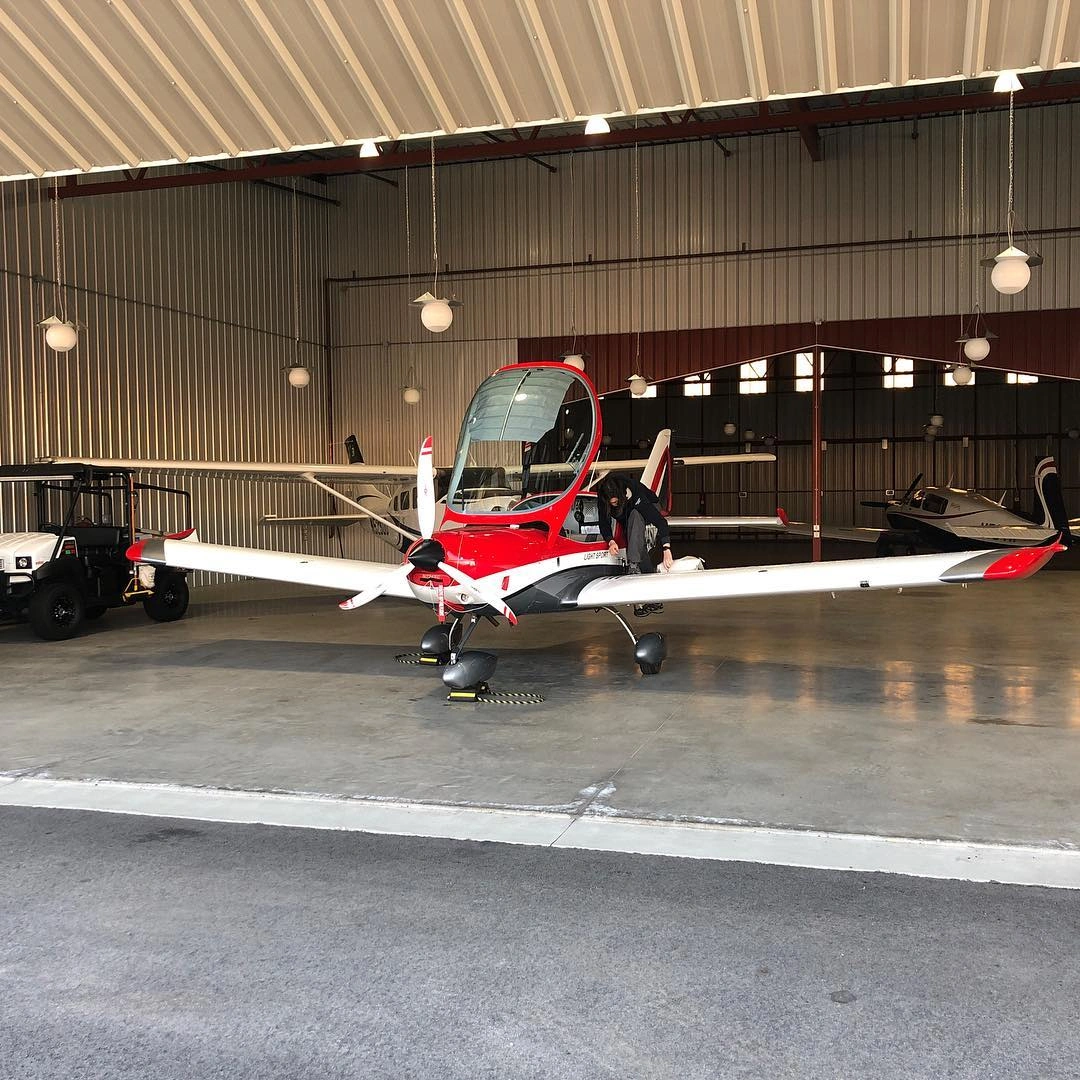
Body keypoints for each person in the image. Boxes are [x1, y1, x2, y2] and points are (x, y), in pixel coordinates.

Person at [597, 473, 673, 617]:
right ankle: (653, 598)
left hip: (649, 506)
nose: (613, 504)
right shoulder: (603, 497)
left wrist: (666, 548)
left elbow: (661, 522)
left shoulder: (636, 495)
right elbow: (603, 521)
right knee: (637, 545)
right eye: (611, 503)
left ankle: (634, 566)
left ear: (622, 495)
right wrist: (610, 540)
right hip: (626, 514)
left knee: (635, 517)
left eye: (615, 502)